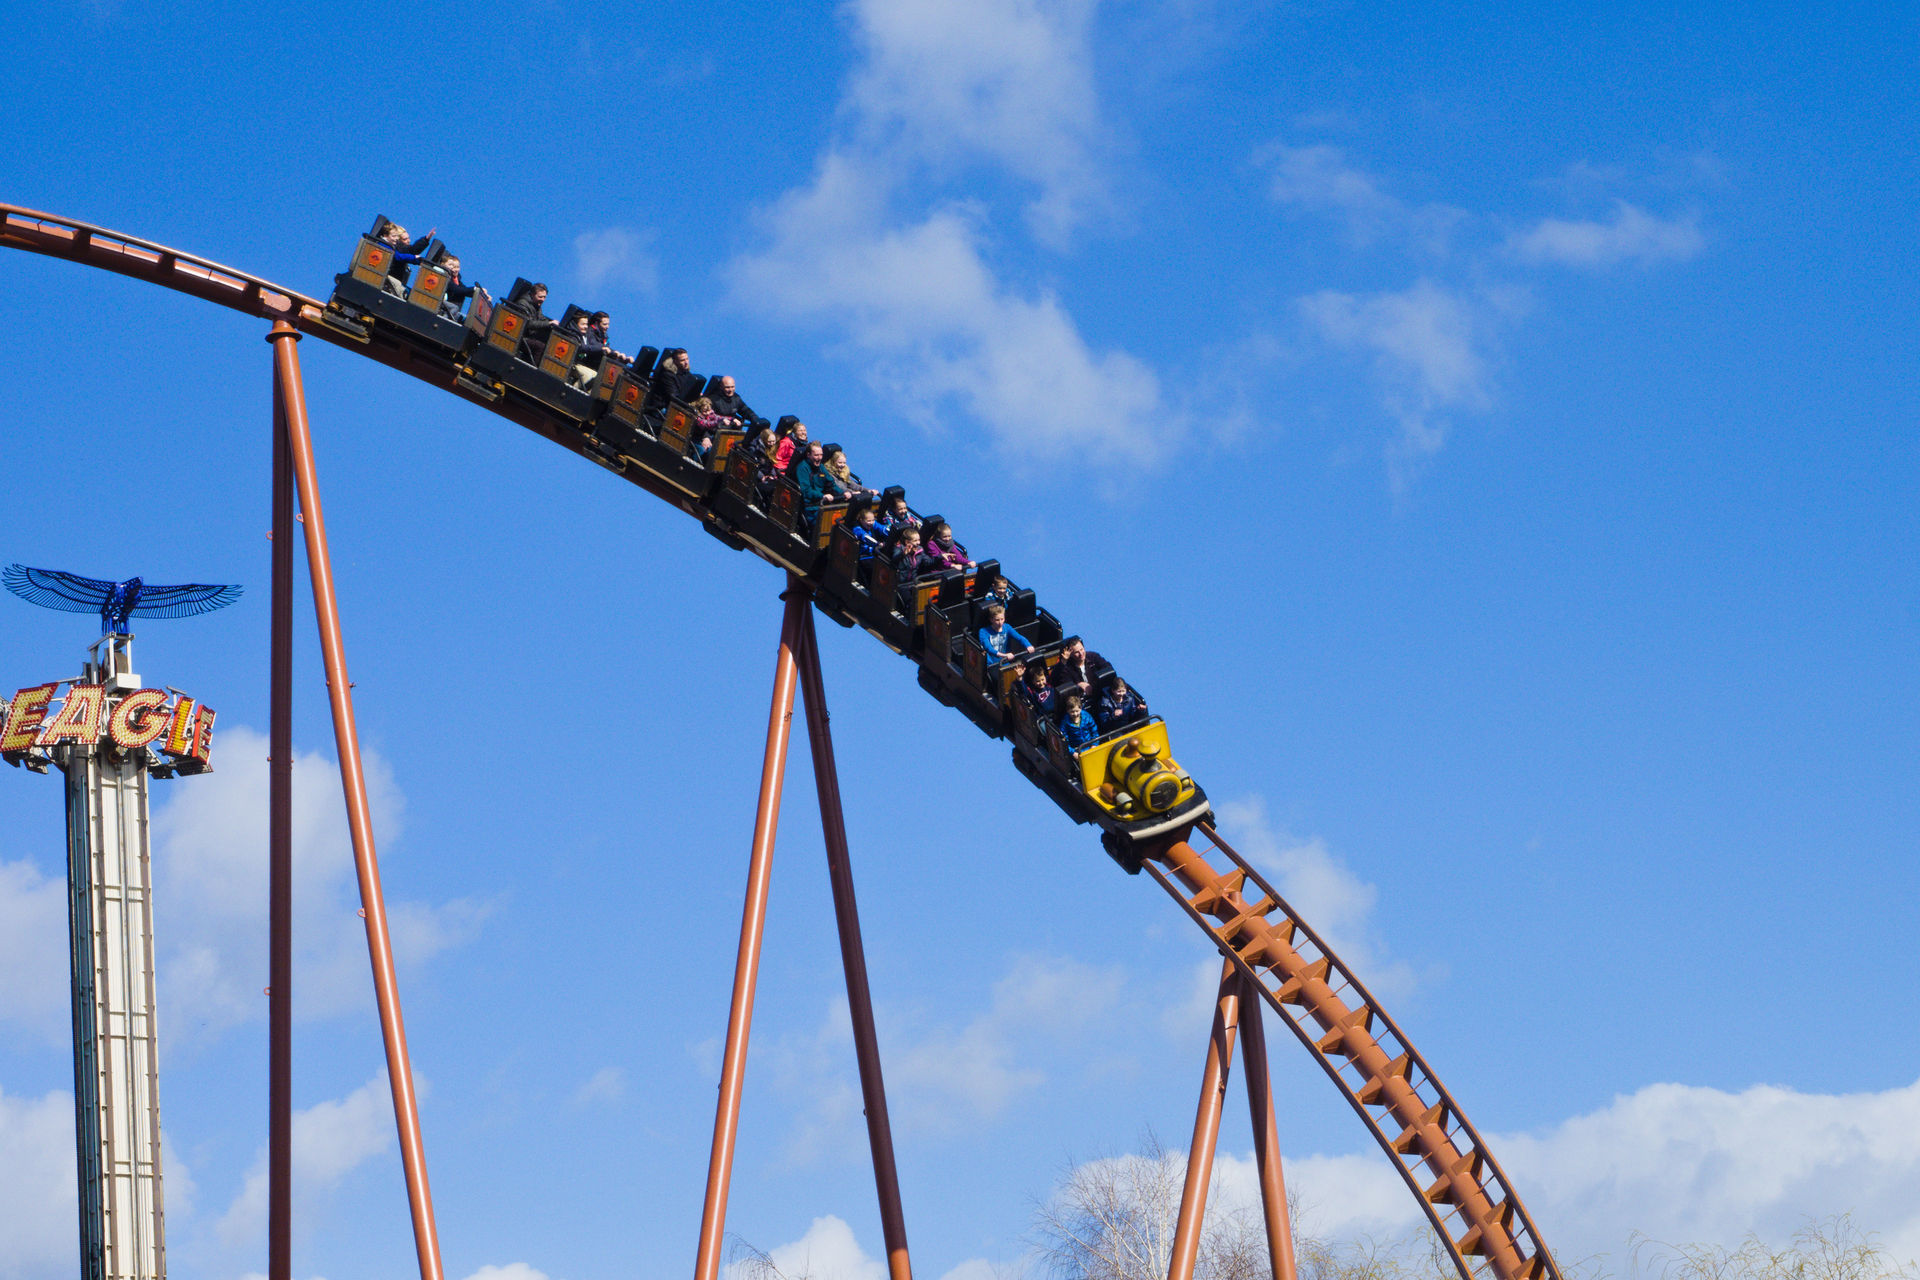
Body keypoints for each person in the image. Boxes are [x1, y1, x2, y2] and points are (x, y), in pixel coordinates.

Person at [376, 220, 435, 296]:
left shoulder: (392, 246)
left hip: (392, 279)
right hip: (386, 278)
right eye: (393, 236)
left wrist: (419, 259)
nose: (396, 238)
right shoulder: (383, 245)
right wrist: (414, 258)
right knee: (407, 294)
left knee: (410, 292)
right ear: (385, 235)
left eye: (397, 236)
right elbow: (398, 256)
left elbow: (410, 251)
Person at [645, 348, 701, 415]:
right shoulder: (667, 375)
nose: (686, 362)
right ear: (675, 361)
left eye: (687, 359)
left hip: (676, 406)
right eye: (682, 360)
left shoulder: (686, 373)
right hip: (662, 407)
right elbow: (673, 396)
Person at [1049, 636, 1103, 700]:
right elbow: (1055, 680)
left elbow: (1107, 669)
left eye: (1081, 649)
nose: (1081, 653)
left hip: (1099, 695)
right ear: (1070, 654)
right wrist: (1078, 685)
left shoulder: (1093, 657)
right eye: (1076, 652)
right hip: (1079, 701)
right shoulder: (1066, 668)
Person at [438, 255, 480, 320]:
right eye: (451, 265)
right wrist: (474, 289)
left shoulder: (456, 280)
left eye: (457, 267)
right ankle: (442, 319)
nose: (453, 268)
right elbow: (457, 290)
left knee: (463, 318)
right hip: (440, 300)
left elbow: (464, 290)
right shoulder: (445, 276)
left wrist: (479, 292)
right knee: (454, 308)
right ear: (443, 264)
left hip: (447, 305)